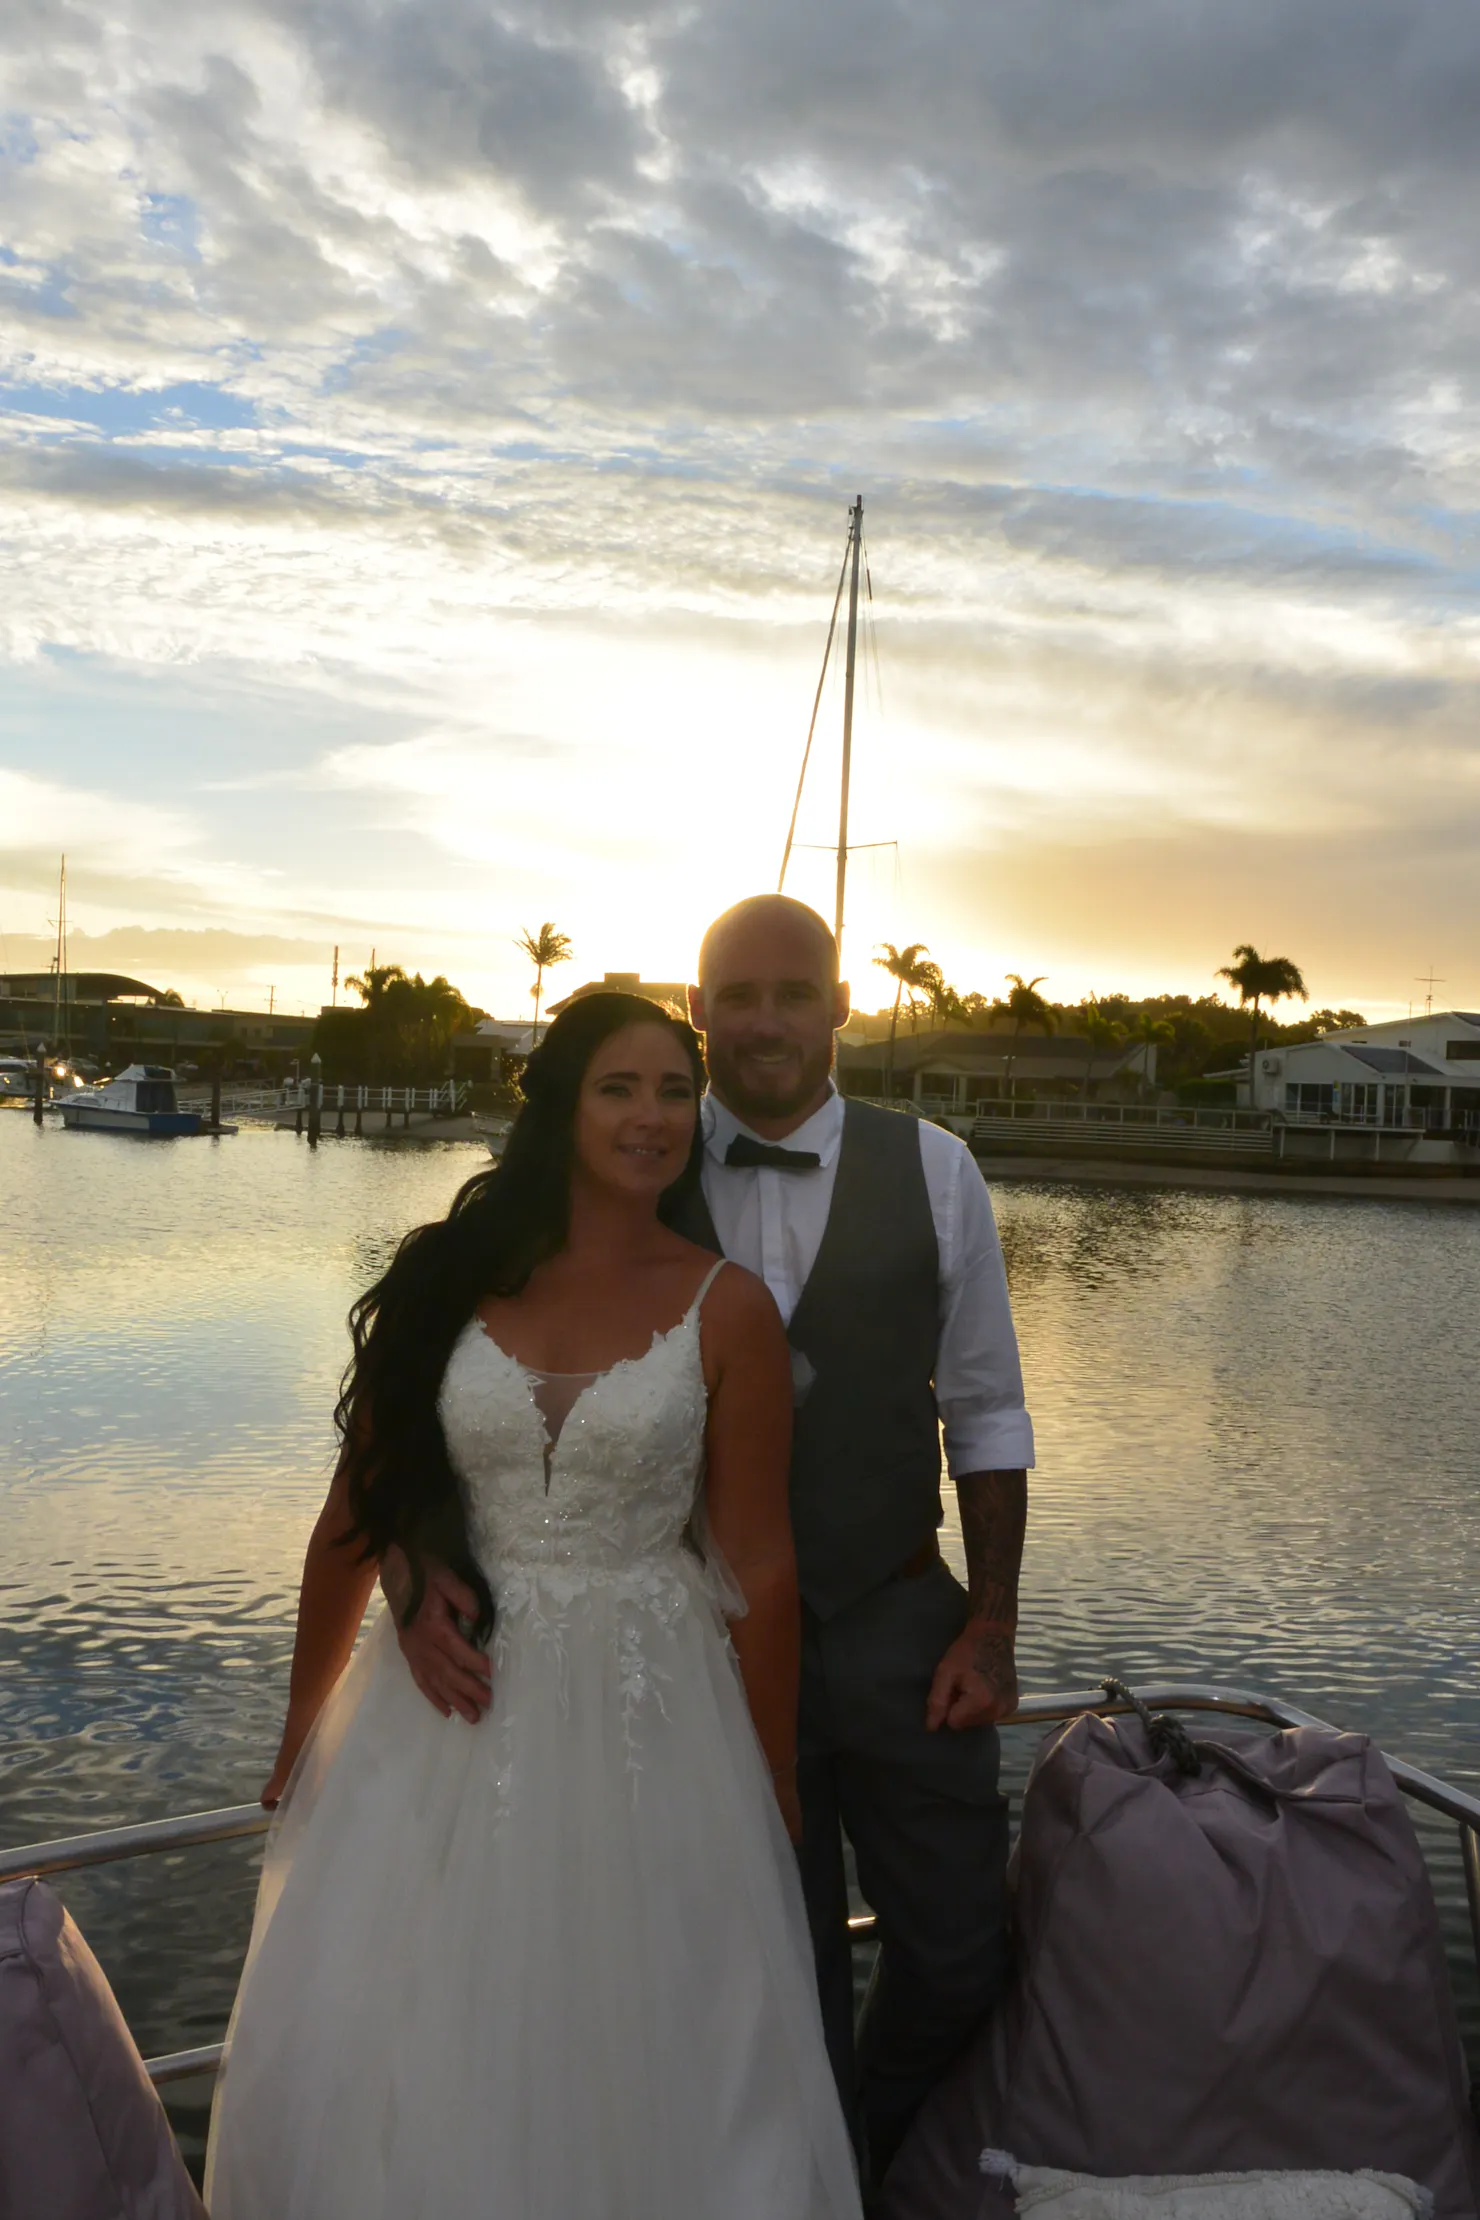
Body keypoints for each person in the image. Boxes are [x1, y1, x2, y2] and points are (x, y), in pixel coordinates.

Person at [399, 896, 1034, 2189]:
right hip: (697, 1649)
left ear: (843, 1004)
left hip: (905, 1623)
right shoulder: (628, 1167)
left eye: (794, 993)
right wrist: (417, 1570)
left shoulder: (937, 1172)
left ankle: (851, 2157)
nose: (764, 1021)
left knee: (966, 1952)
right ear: (700, 1013)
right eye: (734, 996)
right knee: (758, 1974)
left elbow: (988, 1412)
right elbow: (452, 1402)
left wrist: (996, 1621)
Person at [204, 991, 863, 2220]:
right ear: (561, 1104)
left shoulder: (729, 1311)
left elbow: (758, 1569)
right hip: (449, 1708)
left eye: (675, 1091)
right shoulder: (447, 1276)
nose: (651, 1116)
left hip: (653, 1718)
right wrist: (302, 1728)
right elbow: (360, 1505)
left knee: (651, 2024)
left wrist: (769, 1785)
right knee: (424, 2014)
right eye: (619, 1087)